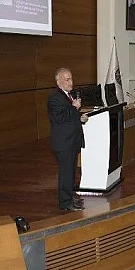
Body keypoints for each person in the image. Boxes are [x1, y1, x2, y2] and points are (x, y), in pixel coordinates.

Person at [47, 68, 88, 211]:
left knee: (71, 171)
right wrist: (73, 108)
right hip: (63, 142)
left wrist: (79, 117)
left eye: (71, 79)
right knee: (65, 172)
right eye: (67, 79)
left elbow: (69, 116)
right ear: (59, 82)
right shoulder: (55, 98)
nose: (71, 82)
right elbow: (59, 118)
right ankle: (65, 202)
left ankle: (69, 196)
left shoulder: (68, 95)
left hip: (72, 140)